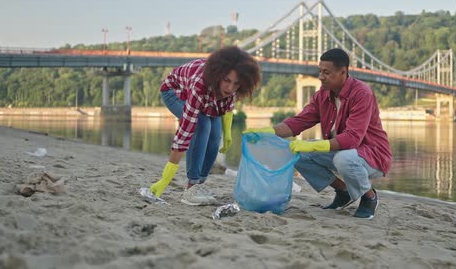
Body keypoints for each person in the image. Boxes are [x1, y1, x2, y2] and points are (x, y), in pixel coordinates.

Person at [244, 48, 392, 219]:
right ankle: (343, 190)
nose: (321, 77)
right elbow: (298, 122)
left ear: (343, 72)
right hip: (344, 153)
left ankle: (369, 197)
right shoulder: (321, 95)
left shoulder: (362, 93)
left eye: (326, 72)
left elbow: (352, 138)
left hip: (373, 155)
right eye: (320, 71)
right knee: (295, 152)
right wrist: (267, 132)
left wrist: (313, 144)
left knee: (343, 159)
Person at [150, 46, 261, 205]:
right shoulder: (199, 84)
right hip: (175, 92)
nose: (230, 89)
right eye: (227, 81)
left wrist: (227, 133)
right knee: (202, 126)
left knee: (215, 136)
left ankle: (198, 186)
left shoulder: (228, 89)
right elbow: (185, 132)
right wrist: (165, 179)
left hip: (209, 97)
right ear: (218, 75)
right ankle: (190, 187)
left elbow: (228, 107)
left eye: (236, 84)